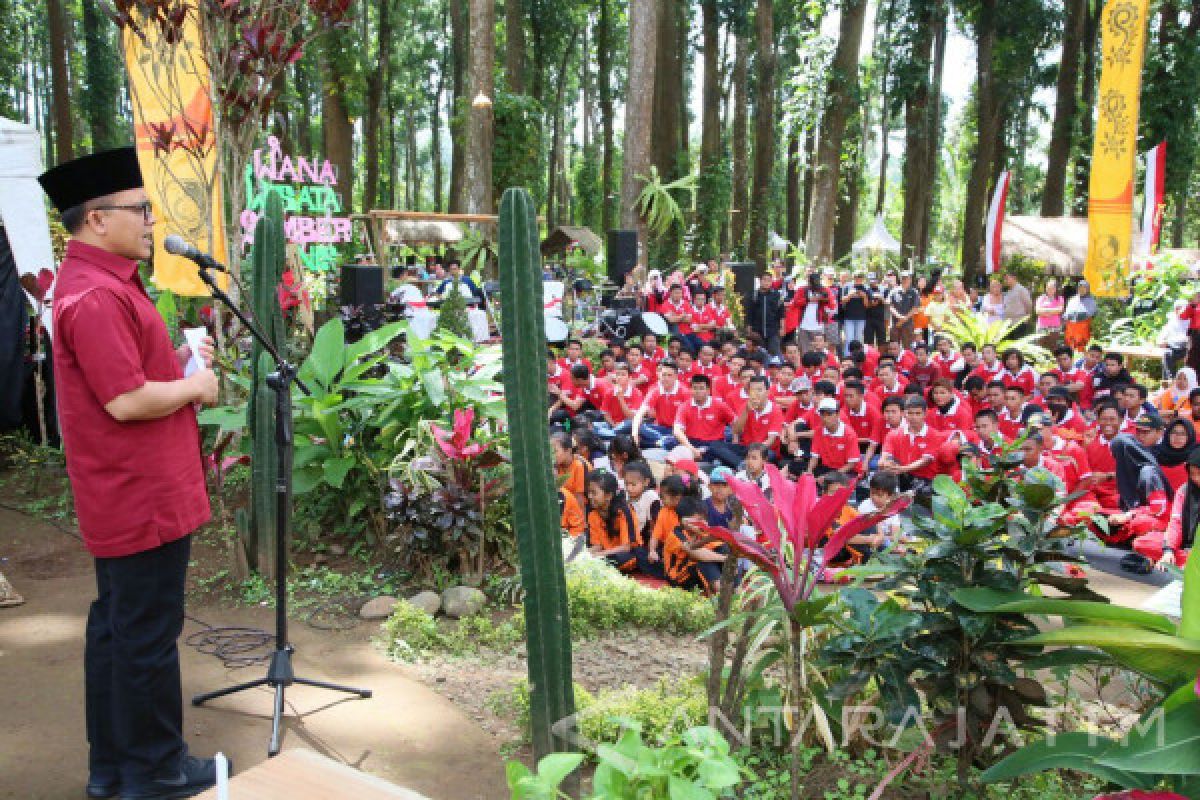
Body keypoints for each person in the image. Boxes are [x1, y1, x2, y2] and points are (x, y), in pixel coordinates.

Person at [38, 147, 225, 799]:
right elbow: (125, 401)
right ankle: (156, 771)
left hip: (137, 493)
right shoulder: (93, 297)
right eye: (140, 209)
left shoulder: (104, 286)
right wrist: (196, 385)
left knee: (120, 633)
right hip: (139, 497)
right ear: (96, 220)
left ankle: (118, 769)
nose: (150, 220)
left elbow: (125, 378)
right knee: (144, 638)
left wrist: (175, 361)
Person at [1135, 448, 1200, 570]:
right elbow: (1176, 523)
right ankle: (1183, 561)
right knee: (1142, 542)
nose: (1196, 479)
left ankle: (1188, 562)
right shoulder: (1184, 491)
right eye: (1192, 474)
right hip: (1185, 546)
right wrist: (1168, 550)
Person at [583, 471, 639, 571]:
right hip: (606, 554)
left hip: (627, 555)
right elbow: (597, 545)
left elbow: (627, 547)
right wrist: (585, 554)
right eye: (589, 492)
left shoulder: (624, 511)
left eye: (594, 493)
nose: (590, 496)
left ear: (608, 496)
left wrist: (599, 555)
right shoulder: (593, 514)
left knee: (618, 558)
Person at [1154, 418, 1196, 492]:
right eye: (1174, 432)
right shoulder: (1154, 454)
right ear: (1167, 434)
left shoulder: (1195, 458)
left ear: (1190, 436)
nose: (1177, 437)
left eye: (1183, 434)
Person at [748, 272, 784, 354]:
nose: (766, 282)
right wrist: (749, 328)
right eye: (764, 280)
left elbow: (781, 312)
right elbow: (750, 312)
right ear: (760, 281)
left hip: (773, 330)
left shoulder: (777, 295)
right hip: (757, 331)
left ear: (771, 282)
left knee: (774, 355)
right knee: (758, 355)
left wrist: (782, 327)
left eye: (769, 280)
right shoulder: (754, 295)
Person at [1159, 299, 1191, 377]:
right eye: (1177, 308)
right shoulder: (1172, 321)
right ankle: (1169, 381)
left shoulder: (1191, 321)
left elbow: (1187, 338)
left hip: (1187, 349)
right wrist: (1162, 341)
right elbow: (1161, 337)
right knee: (1167, 354)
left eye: (1181, 308)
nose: (1178, 311)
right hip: (1173, 349)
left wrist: (1169, 341)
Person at [1063, 280, 1098, 351]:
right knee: (1070, 348)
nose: (1081, 289)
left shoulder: (1091, 300)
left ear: (1087, 289)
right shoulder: (1072, 299)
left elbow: (1091, 313)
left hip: (1083, 329)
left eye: (1084, 288)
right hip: (1071, 329)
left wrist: (1079, 315)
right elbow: (1066, 313)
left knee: (1082, 348)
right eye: (1080, 288)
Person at [887, 273, 920, 347]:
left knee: (907, 348)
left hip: (908, 325)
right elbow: (890, 306)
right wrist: (899, 317)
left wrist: (904, 319)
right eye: (903, 278)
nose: (905, 280)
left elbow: (915, 308)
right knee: (893, 347)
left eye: (907, 278)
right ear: (900, 279)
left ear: (910, 280)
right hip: (895, 324)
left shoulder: (914, 292)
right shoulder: (893, 291)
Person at [1035, 279, 1064, 343]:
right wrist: (1053, 311)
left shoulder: (1060, 298)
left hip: (1055, 327)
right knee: (1041, 346)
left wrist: (1045, 311)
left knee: (1053, 346)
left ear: (1055, 289)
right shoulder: (1041, 298)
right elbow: (1037, 311)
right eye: (1048, 288)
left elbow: (1060, 310)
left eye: (1052, 288)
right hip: (1042, 326)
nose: (1050, 290)